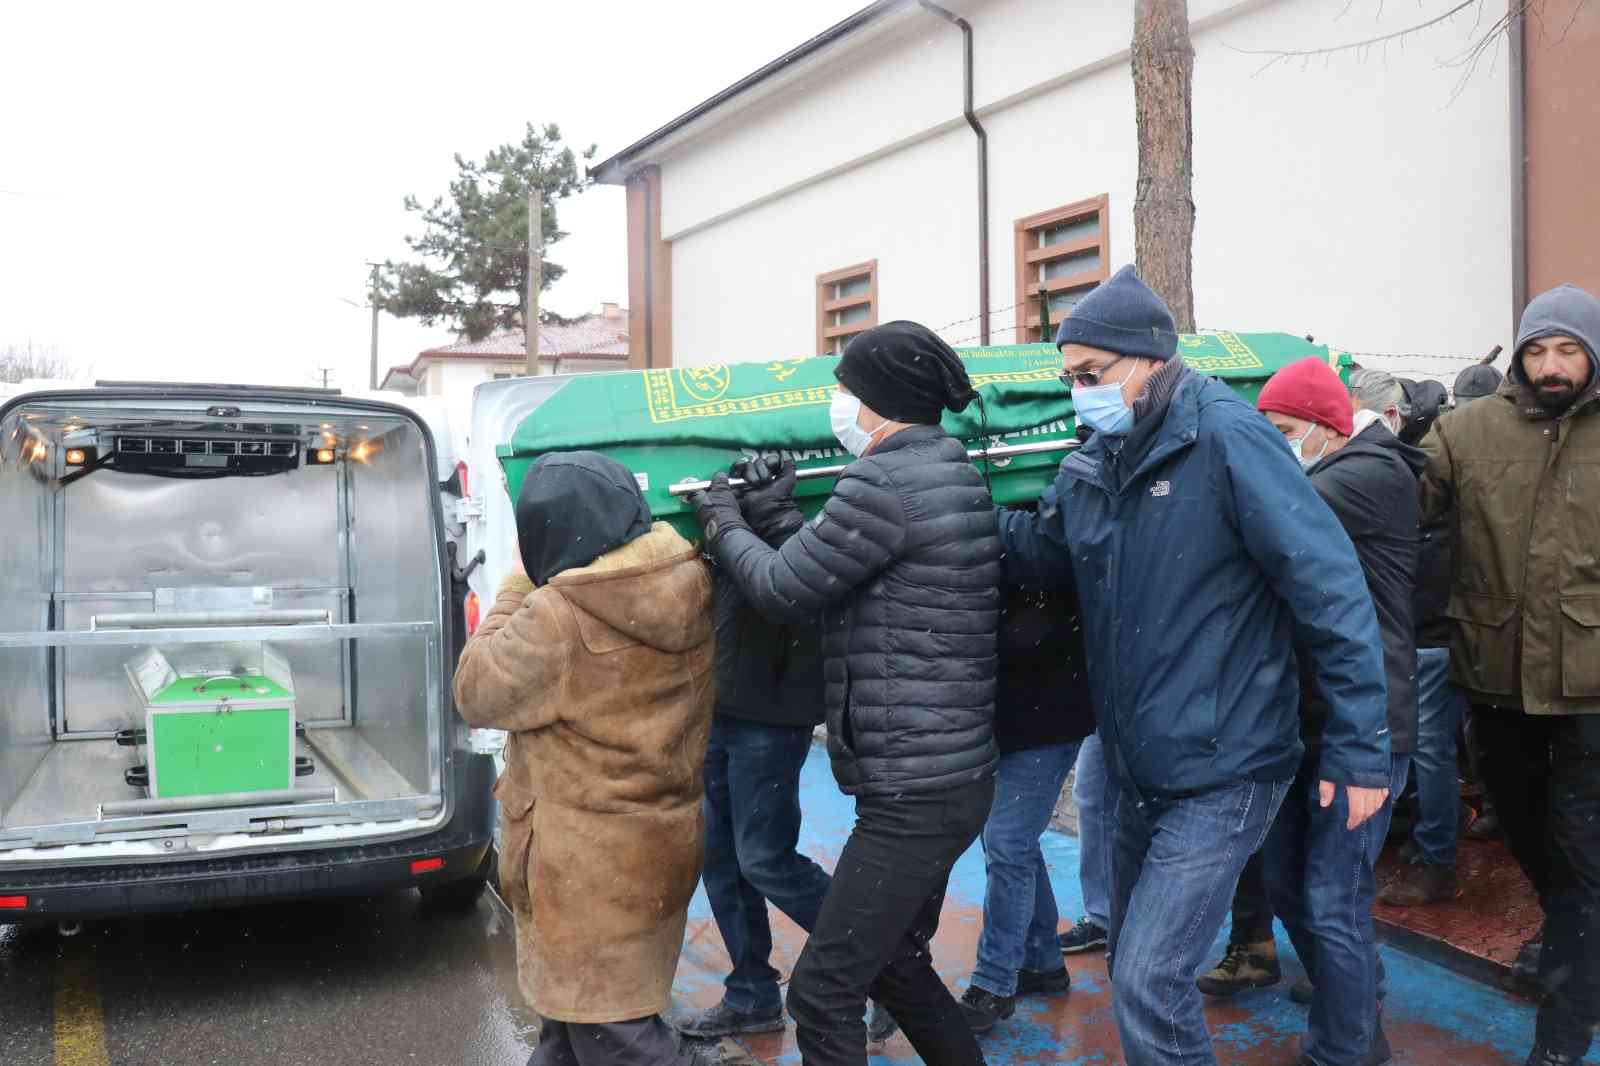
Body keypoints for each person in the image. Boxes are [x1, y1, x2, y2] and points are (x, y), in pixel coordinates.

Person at [995, 265, 1391, 1066]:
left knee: (1147, 976)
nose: (1079, 393)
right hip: (1142, 763)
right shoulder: (1103, 455)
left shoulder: (1229, 438)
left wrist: (1358, 748)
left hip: (1227, 762)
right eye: (1069, 379)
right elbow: (1047, 551)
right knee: (1134, 968)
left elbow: (1333, 593)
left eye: (1089, 376)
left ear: (1144, 359)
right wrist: (950, 508)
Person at [690, 320, 1001, 1066]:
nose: (839, 403)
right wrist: (772, 517)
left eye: (846, 390)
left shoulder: (883, 478)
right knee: (894, 965)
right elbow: (845, 571)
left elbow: (781, 589)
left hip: (914, 790)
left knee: (823, 992)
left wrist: (724, 517)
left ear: (877, 400)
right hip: (949, 773)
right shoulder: (945, 467)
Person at [454, 452, 717, 1066]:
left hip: (587, 866)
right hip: (657, 842)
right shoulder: (687, 577)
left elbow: (476, 692)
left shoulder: (562, 614)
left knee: (614, 1035)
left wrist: (518, 583)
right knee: (578, 1023)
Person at [1418, 283, 1600, 1066]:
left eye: (1568, 349)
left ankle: (1560, 1037)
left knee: (1583, 851)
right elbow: (1395, 502)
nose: (1552, 365)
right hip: (1494, 679)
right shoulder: (1465, 432)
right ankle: (1572, 935)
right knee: (1530, 837)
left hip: (1593, 688)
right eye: (1537, 350)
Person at [1252, 359, 1422, 1066]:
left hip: (1368, 726)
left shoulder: (1364, 477)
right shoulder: (1329, 472)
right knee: (1291, 884)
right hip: (1315, 720)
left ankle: (1347, 1049)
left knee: (1332, 897)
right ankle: (1355, 998)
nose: (1276, 446)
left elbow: (1267, 510)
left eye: (1284, 431)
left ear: (1325, 428)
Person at [674, 455, 834, 1040]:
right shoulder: (718, 516)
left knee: (764, 858)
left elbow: (784, 590)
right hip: (719, 707)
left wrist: (744, 519)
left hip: (772, 713)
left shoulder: (806, 521)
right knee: (721, 860)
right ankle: (751, 995)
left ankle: (887, 964)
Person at [957, 581, 1095, 1032]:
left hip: (1046, 719)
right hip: (1013, 717)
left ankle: (994, 984)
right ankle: (1041, 961)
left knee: (1007, 841)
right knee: (1012, 839)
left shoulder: (1048, 539)